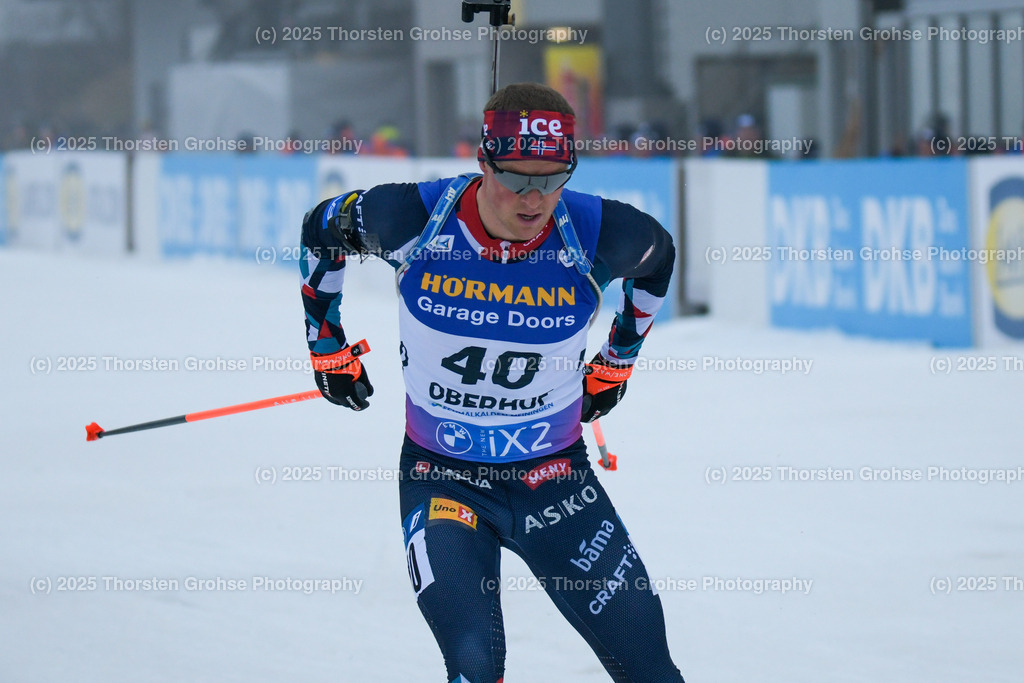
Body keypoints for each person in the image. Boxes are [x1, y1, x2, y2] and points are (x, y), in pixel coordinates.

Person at [299, 82, 685, 683]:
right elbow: (322, 230)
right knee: (474, 666)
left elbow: (659, 260)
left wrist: (617, 361)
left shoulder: (594, 231)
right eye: (518, 177)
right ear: (482, 162)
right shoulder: (413, 218)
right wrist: (326, 347)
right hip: (442, 475)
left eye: (554, 177)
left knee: (649, 669)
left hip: (554, 480)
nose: (536, 197)